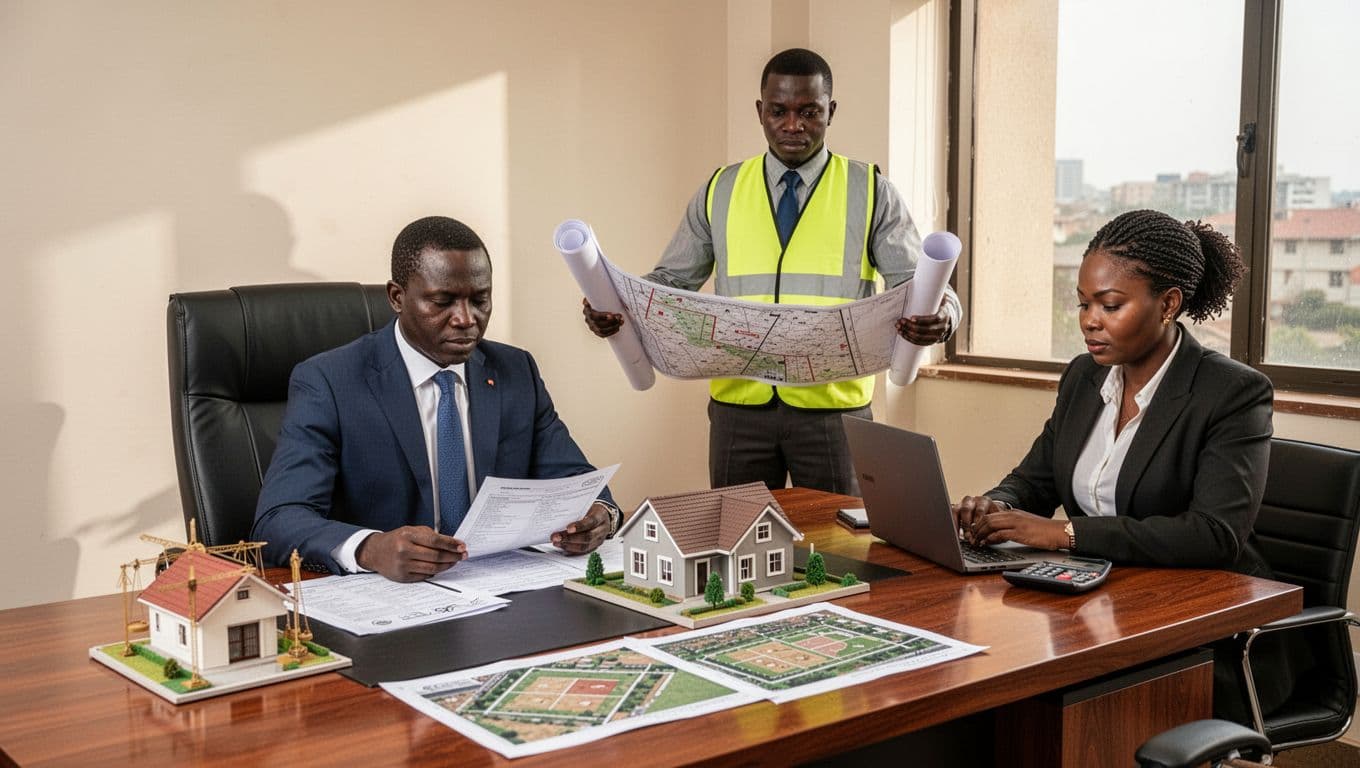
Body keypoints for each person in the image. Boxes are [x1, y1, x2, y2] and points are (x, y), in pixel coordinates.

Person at [954, 208, 1286, 722]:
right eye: (1084, 304)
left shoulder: (1231, 393)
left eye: (1110, 305)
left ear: (1168, 304)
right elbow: (1036, 477)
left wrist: (1064, 537)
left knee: (1049, 702)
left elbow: (1214, 535)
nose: (1089, 320)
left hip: (1200, 629)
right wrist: (998, 504)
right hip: (1096, 607)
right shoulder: (1085, 377)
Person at [583, 48, 960, 495]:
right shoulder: (721, 189)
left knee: (840, 553)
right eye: (779, 111)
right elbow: (669, 284)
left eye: (809, 112)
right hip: (739, 410)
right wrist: (614, 305)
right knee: (738, 548)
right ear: (760, 111)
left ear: (830, 111)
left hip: (833, 411)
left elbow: (924, 285)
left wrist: (943, 319)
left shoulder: (871, 190)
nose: (793, 125)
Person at [253, 216, 621, 582]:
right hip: (392, 601)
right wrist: (371, 548)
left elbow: (575, 477)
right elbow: (279, 518)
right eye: (442, 302)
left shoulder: (515, 370)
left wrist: (600, 513)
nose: (465, 319)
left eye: (480, 299)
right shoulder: (330, 382)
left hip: (505, 589)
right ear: (397, 297)